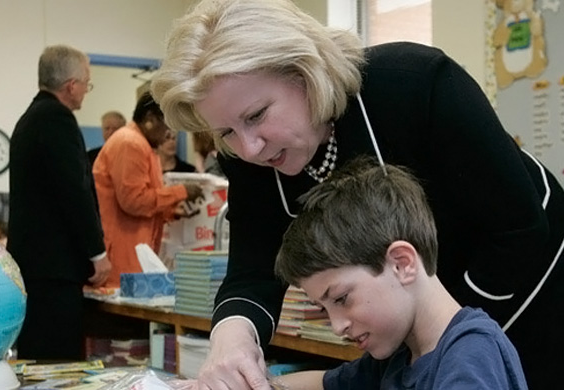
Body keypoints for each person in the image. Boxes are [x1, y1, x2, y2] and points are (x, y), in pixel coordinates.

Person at [150, 0, 564, 388]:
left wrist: (442, 340)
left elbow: (518, 230)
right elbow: (252, 270)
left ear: (305, 73)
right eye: (226, 133)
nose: (249, 148)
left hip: (530, 282)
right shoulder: (249, 154)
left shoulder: (414, 83)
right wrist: (232, 337)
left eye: (257, 115)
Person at [274, 157, 528, 389]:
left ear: (401, 264)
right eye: (323, 308)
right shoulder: (399, 356)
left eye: (341, 299)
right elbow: (325, 383)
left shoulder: (471, 356)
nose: (338, 327)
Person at [8, 44, 111, 360]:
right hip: (54, 269)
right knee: (58, 362)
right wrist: (97, 253)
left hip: (33, 266)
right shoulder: (57, 120)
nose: (86, 91)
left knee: (36, 357)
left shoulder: (29, 120)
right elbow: (75, 191)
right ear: (71, 85)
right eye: (87, 83)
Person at [92, 92, 203, 287]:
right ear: (150, 120)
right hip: (122, 258)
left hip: (131, 254)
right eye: (167, 126)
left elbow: (144, 201)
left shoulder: (141, 145)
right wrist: (181, 191)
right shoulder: (130, 144)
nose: (169, 134)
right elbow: (134, 201)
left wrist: (171, 212)